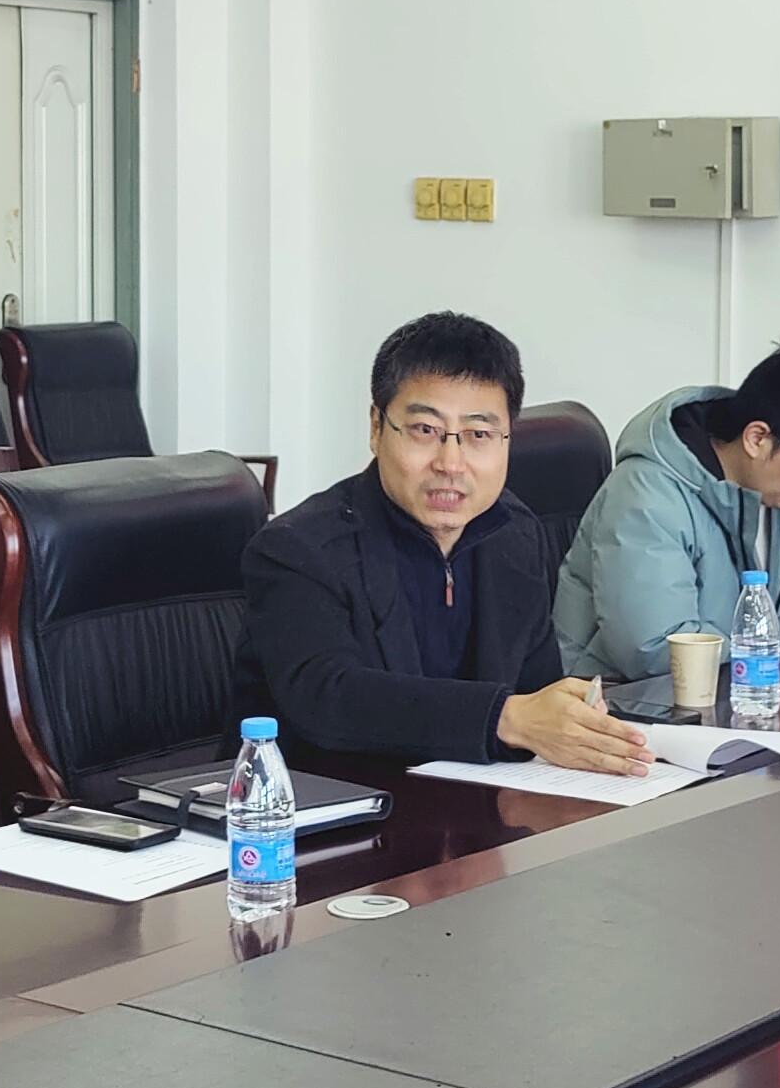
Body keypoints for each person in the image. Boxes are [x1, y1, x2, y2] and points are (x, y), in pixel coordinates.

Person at [242, 312, 648, 775]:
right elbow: (329, 698)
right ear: (376, 427)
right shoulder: (298, 549)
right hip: (323, 802)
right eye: (425, 431)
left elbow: (536, 689)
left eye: (479, 435)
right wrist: (504, 717)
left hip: (476, 797)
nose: (450, 463)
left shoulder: (514, 532)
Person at [554, 343, 780, 682]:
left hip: (738, 690)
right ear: (756, 439)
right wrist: (770, 673)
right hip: (622, 698)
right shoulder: (646, 495)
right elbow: (656, 648)